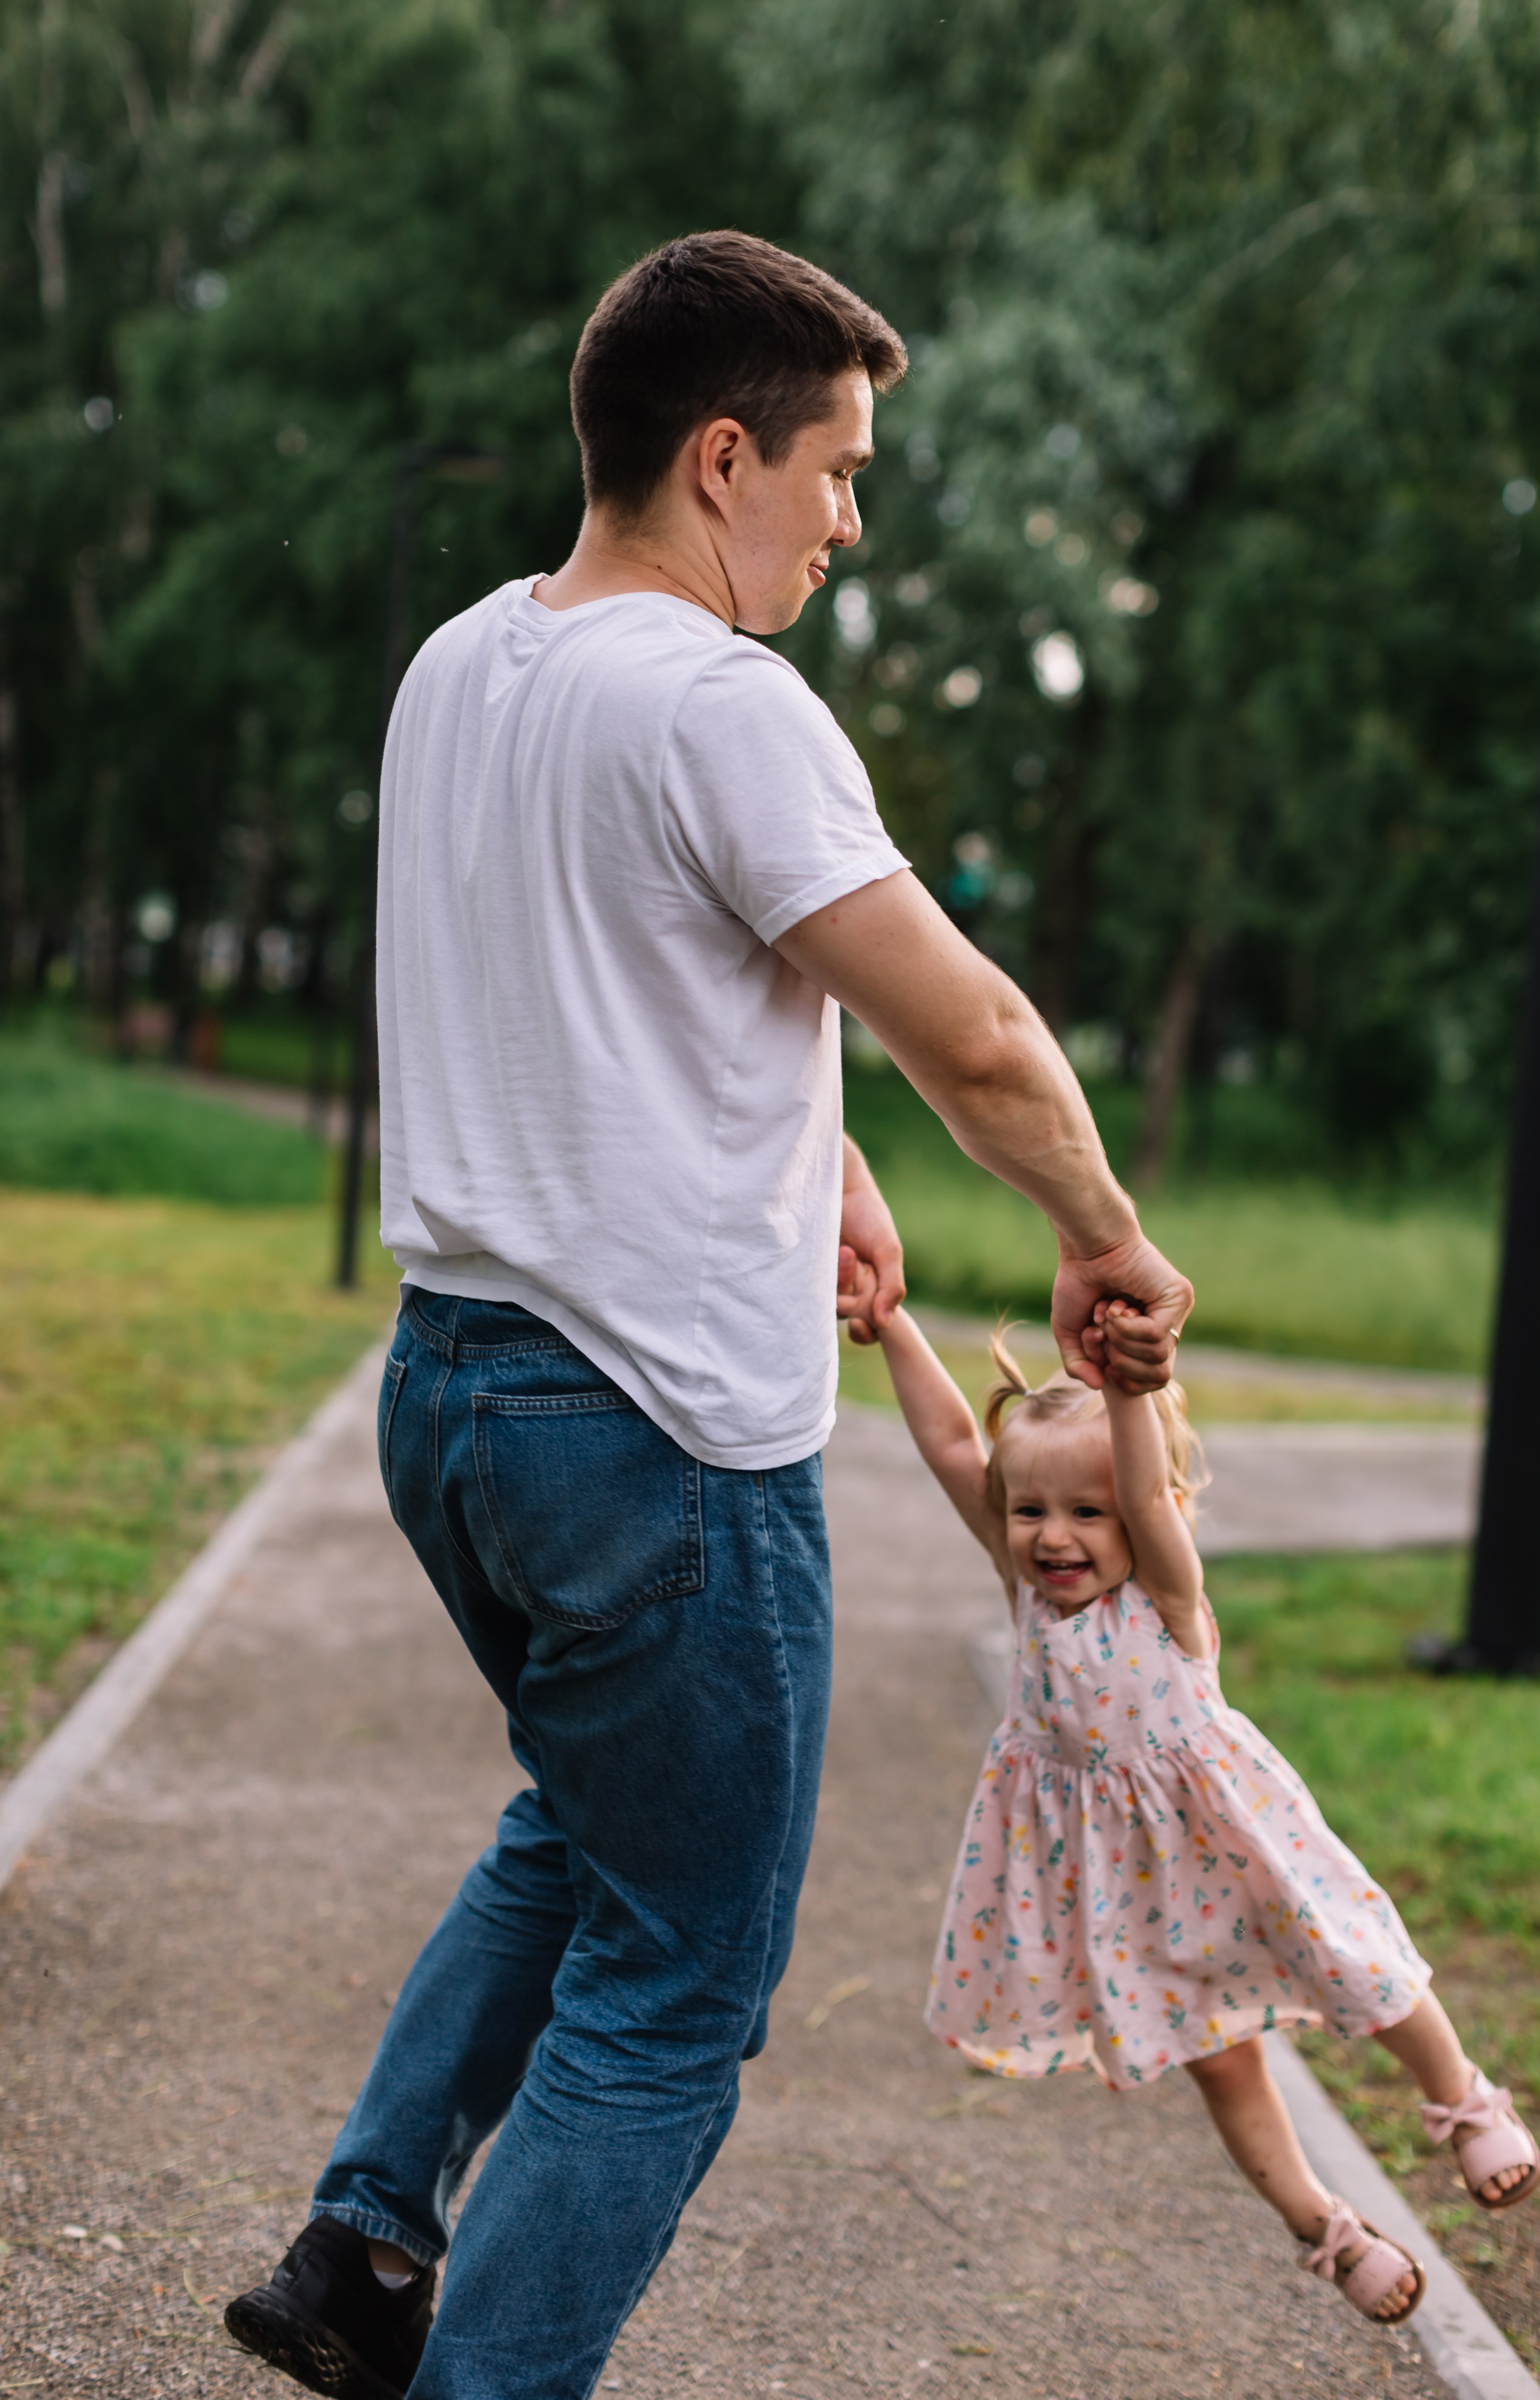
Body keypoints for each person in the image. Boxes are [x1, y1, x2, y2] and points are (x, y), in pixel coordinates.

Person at [223, 229, 1195, 2400]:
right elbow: (981, 1040)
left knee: (588, 1825)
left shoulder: (465, 665)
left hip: (453, 1399)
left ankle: (369, 2246)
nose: (852, 522)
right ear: (725, 455)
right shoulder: (727, 706)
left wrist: (812, 1157)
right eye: (839, 473)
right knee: (680, 1980)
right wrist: (1102, 1234)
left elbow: (611, 983)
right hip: (652, 1443)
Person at [871, 1302, 1540, 2327]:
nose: (1054, 1536)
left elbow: (1139, 1486)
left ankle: (1462, 2097)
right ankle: (1324, 2227)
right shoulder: (1026, 1591)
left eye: (1087, 1514)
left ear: (1149, 1517)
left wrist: (1131, 1386)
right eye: (1031, 1510)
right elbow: (957, 1443)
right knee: (1223, 2068)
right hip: (1135, 1889)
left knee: (1359, 1962)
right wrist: (895, 1324)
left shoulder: (1168, 1595)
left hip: (1241, 1848)